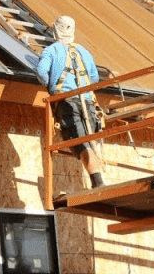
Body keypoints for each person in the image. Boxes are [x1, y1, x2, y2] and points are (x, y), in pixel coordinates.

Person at [36, 15, 111, 189]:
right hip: (88, 101)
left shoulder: (51, 50)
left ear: (56, 30)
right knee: (89, 137)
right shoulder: (84, 51)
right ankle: (98, 179)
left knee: (79, 140)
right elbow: (94, 77)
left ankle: (97, 182)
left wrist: (52, 87)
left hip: (67, 101)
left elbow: (41, 72)